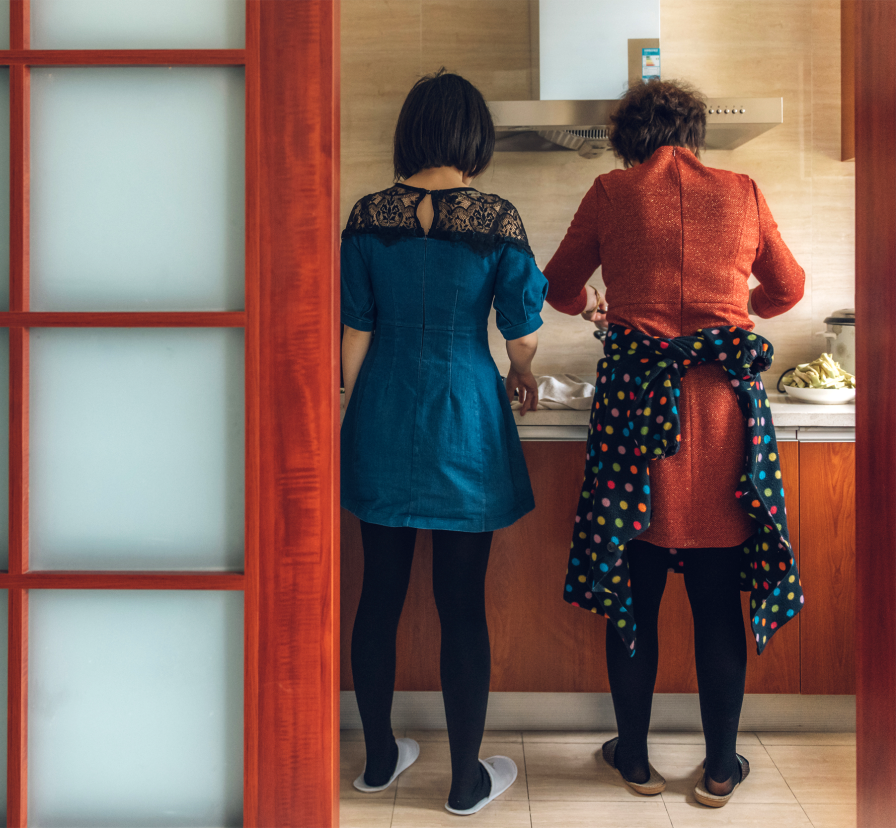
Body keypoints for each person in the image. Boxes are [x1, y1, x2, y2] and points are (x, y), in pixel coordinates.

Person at [543, 79, 805, 808]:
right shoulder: (743, 191)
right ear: (695, 132)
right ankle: (720, 769)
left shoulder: (610, 192)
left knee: (637, 589)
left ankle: (633, 759)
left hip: (635, 413)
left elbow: (557, 284)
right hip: (723, 414)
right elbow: (788, 288)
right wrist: (737, 311)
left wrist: (598, 307)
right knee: (719, 599)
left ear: (630, 135)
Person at [341, 69, 547, 815]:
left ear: (411, 132)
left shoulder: (367, 215)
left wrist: (346, 415)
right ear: (474, 137)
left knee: (378, 597)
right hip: (465, 416)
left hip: (384, 413)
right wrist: (522, 373)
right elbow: (521, 329)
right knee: (461, 603)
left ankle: (377, 763)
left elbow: (354, 329)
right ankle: (465, 784)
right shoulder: (496, 218)